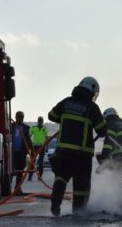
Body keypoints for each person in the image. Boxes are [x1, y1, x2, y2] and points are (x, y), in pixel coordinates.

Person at [48, 76, 107, 216]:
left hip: (63, 151)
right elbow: (102, 131)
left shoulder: (66, 102)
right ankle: (78, 212)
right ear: (91, 90)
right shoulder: (92, 107)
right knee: (81, 185)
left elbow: (51, 116)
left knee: (61, 178)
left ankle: (55, 206)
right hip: (82, 153)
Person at [11, 111, 32, 192]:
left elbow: (29, 140)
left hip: (22, 152)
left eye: (22, 117)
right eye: (18, 116)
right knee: (11, 170)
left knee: (20, 170)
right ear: (15, 117)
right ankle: (8, 187)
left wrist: (32, 151)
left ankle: (17, 187)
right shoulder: (10, 127)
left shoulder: (26, 128)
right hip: (11, 153)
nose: (20, 118)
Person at [28, 116, 48, 181]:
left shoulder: (45, 128)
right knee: (32, 161)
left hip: (42, 146)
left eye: (41, 121)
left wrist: (46, 146)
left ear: (42, 122)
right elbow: (29, 136)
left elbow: (47, 138)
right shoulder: (34, 128)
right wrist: (30, 144)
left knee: (41, 162)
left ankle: (40, 176)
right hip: (35, 146)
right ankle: (30, 176)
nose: (40, 122)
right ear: (37, 121)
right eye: (39, 121)